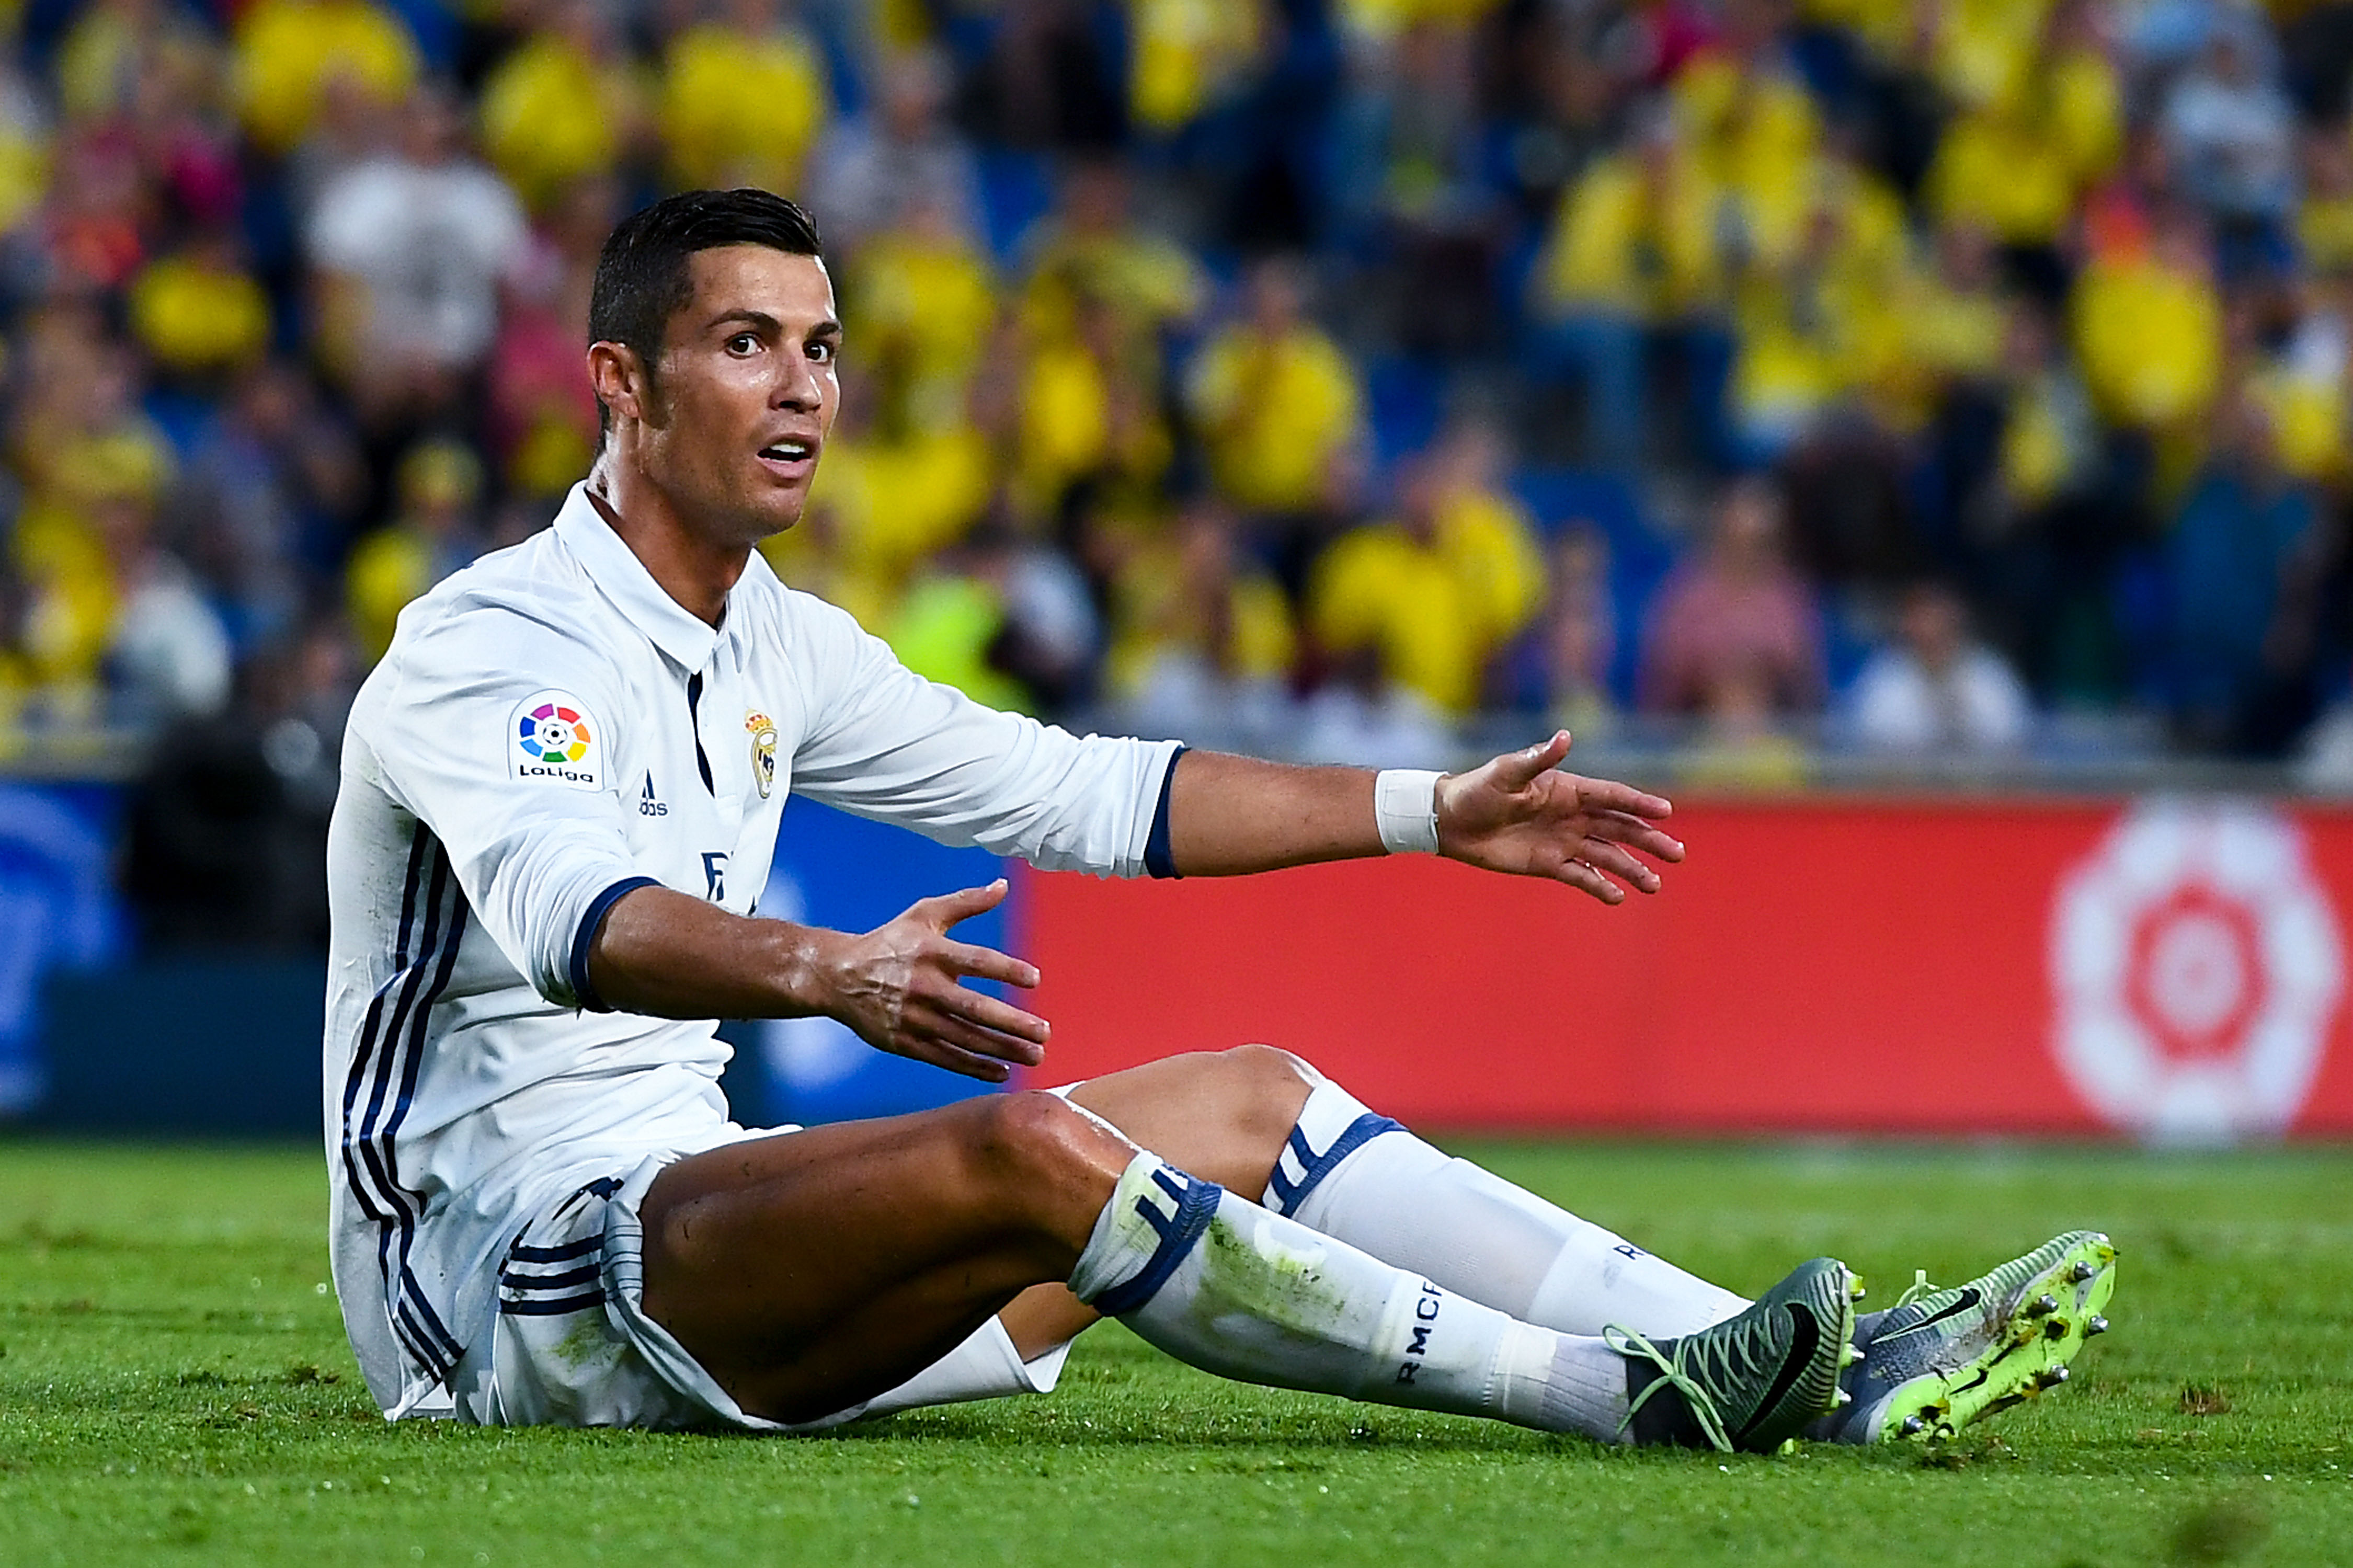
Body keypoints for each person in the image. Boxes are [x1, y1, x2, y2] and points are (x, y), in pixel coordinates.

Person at [325, 189, 2117, 1455]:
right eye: (744, 345)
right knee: (1026, 1149)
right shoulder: (492, 642)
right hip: (508, 1287)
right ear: (621, 386)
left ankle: (1798, 1359)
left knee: (1255, 1097)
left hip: (719, 1262)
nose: (805, 388)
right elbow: (575, 917)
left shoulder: (775, 641)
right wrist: (835, 975)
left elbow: (1088, 791)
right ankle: (1615, 1401)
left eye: (821, 346)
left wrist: (1429, 809)